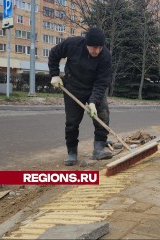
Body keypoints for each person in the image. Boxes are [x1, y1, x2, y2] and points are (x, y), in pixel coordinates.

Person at [48, 28, 112, 166]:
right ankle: (72, 152)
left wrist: (93, 102)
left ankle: (99, 148)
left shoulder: (105, 56)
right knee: (72, 122)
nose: (96, 51)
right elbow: (54, 54)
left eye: (99, 47)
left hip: (93, 89)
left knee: (102, 116)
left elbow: (102, 82)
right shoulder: (72, 44)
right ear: (86, 44)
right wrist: (54, 74)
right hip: (73, 87)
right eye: (93, 47)